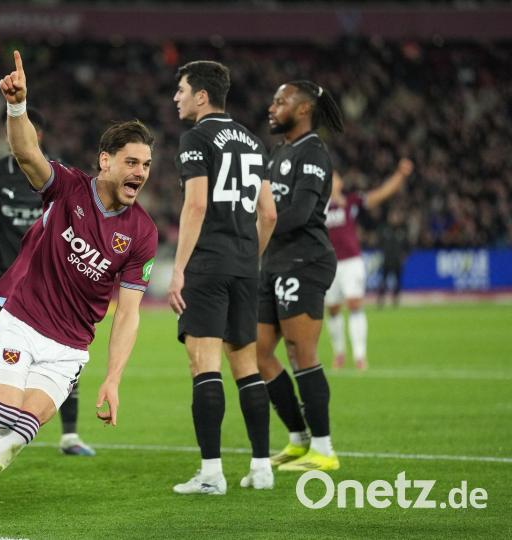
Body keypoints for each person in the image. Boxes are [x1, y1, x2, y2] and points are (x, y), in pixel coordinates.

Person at [0, 51, 158, 536]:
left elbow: (128, 314)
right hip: (24, 320)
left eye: (145, 164)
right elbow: (27, 155)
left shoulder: (142, 232)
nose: (140, 173)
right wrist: (17, 108)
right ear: (106, 161)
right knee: (0, 411)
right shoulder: (68, 189)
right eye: (131, 162)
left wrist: (113, 378)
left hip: (69, 349)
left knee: (20, 432)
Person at [166, 60, 278, 495]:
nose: (176, 97)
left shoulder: (196, 138)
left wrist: (177, 269)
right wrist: (250, 255)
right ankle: (262, 467)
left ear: (201, 96)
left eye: (181, 90)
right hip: (243, 265)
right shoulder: (253, 140)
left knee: (203, 364)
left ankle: (211, 474)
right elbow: (268, 213)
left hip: (208, 263)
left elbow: (195, 205)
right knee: (246, 367)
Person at [0, 108, 95, 457]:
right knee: (14, 352)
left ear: (36, 135)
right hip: (8, 281)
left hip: (50, 280)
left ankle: (69, 435)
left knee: (64, 350)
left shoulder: (56, 176)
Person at [257, 80, 344, 472]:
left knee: (301, 352)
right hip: (272, 261)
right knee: (257, 352)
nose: (272, 107)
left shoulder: (313, 154)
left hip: (305, 261)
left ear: (304, 109)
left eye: (281, 101)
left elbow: (300, 214)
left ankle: (324, 450)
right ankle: (298, 438)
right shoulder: (278, 152)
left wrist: (254, 223)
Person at [325, 159, 413, 369]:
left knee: (355, 305)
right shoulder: (318, 207)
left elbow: (380, 194)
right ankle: (339, 353)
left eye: (334, 177)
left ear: (340, 183)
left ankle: (359, 356)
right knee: (333, 309)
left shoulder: (351, 202)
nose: (331, 180)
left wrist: (400, 175)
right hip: (329, 264)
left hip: (352, 262)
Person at [376, 208, 410, 308]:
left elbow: (408, 246)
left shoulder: (402, 231)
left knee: (398, 282)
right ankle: (380, 300)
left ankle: (395, 301)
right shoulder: (384, 229)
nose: (394, 218)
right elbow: (379, 243)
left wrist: (405, 256)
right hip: (386, 260)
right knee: (383, 282)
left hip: (397, 261)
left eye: (396, 216)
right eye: (392, 216)